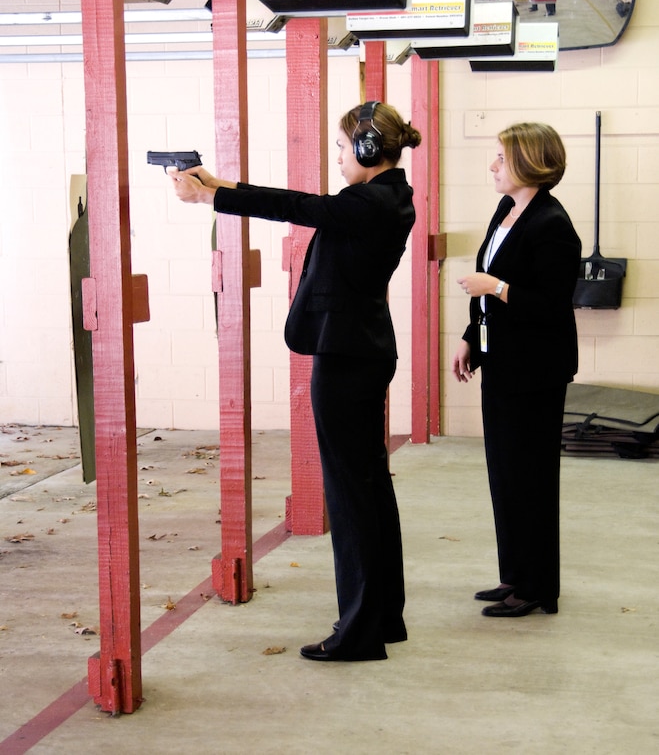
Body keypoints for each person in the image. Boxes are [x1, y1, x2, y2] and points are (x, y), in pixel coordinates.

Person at [168, 102, 422, 659]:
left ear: (365, 150)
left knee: (351, 495)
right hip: (359, 351)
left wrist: (215, 196)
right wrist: (221, 184)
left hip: (347, 356)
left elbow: (297, 206)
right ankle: (379, 618)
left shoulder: (370, 202)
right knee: (369, 490)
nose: (337, 157)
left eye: (340, 146)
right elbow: (306, 205)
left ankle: (358, 632)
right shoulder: (389, 195)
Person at [452, 122, 581, 618]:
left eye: (501, 159)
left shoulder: (552, 225)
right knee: (505, 475)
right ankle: (515, 575)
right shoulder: (507, 210)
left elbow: (551, 306)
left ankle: (537, 587)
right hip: (502, 363)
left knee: (531, 478)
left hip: (536, 372)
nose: (493, 166)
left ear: (530, 162)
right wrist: (470, 337)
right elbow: (489, 287)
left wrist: (497, 287)